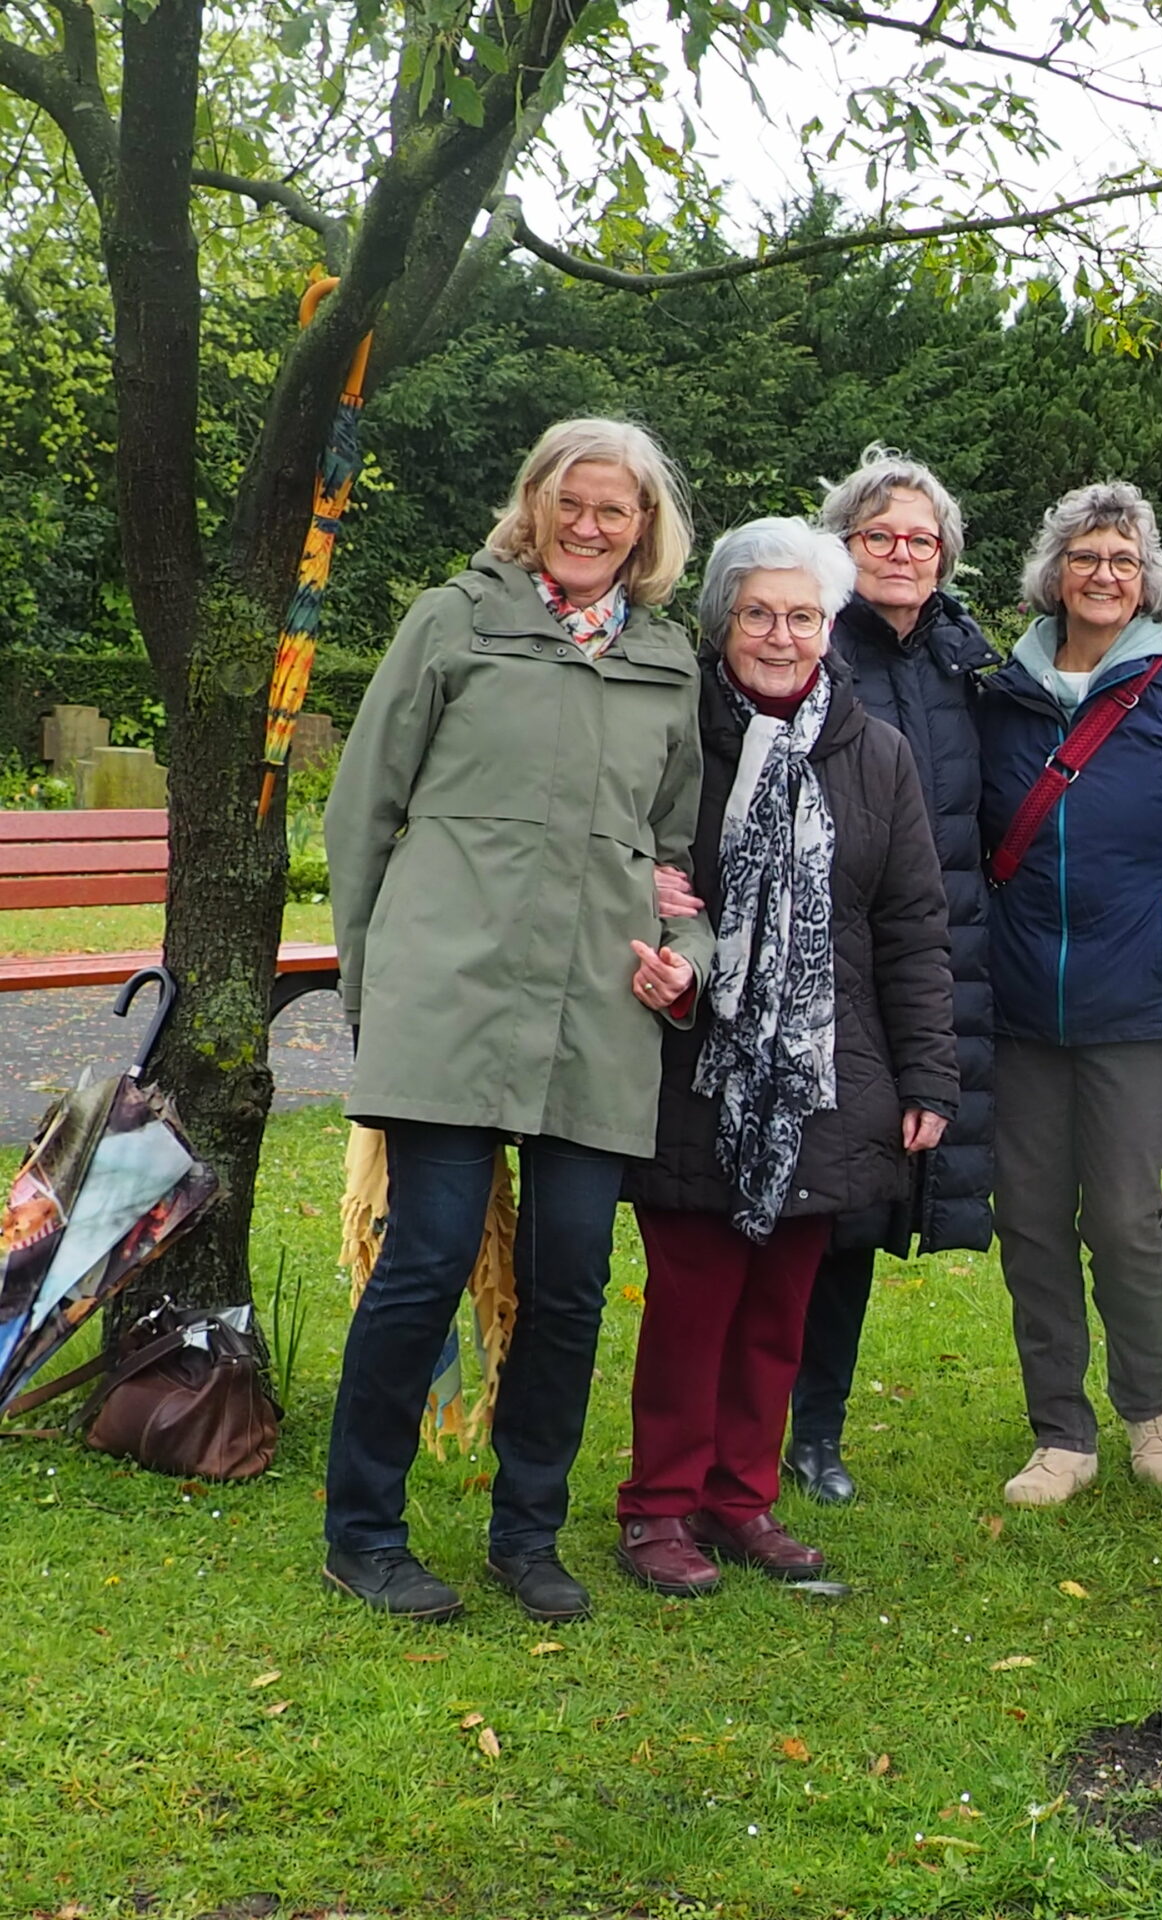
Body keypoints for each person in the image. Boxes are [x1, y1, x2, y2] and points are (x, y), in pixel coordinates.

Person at [322, 417, 711, 1623]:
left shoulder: (668, 663)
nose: (592, 526)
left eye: (618, 510)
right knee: (428, 1261)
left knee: (571, 1278)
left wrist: (686, 961)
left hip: (596, 1015)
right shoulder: (454, 622)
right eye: (573, 503)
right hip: (454, 1002)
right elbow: (361, 810)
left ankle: (527, 1534)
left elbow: (680, 857)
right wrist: (372, 984)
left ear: (648, 528)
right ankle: (363, 1532)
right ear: (534, 504)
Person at [616, 517, 958, 1594]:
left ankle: (739, 1501)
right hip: (694, 1062)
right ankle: (658, 1508)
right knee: (693, 1300)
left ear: (831, 625)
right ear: (724, 623)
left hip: (823, 1075)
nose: (780, 634)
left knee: (777, 1311)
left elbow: (909, 927)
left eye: (803, 615)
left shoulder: (874, 751)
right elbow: (626, 862)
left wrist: (928, 1077)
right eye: (759, 613)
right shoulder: (676, 737)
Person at [979, 481, 1162, 1507]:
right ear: (1053, 572)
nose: (1102, 575)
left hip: (1143, 1007)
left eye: (1121, 558)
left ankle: (1150, 1409)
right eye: (1084, 556)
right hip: (1021, 1007)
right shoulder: (1001, 693)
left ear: (1145, 577)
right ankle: (1059, 1432)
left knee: (1122, 1215)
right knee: (1026, 1217)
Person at [776, 447, 999, 1508]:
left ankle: (815, 1432)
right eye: (879, 538)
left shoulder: (969, 665)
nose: (902, 554)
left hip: (930, 955)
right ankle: (757, 1418)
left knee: (861, 1210)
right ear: (843, 550)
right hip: (820, 964)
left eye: (920, 539)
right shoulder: (814, 646)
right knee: (799, 1208)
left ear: (946, 555)